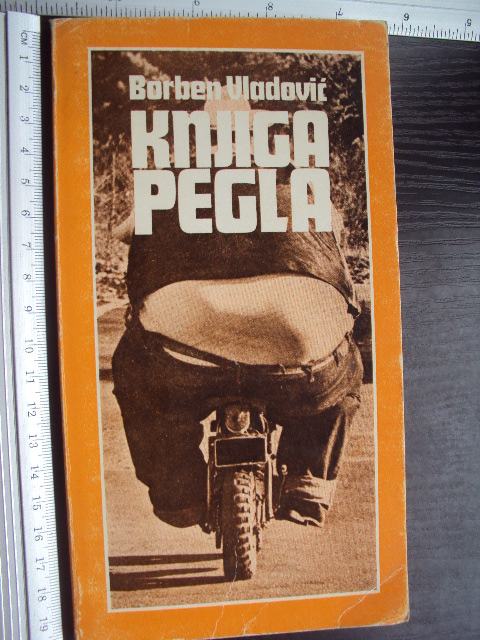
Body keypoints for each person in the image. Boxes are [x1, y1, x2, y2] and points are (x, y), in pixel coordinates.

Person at [111, 180, 364, 529]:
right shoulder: (301, 185)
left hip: (185, 351)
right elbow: (335, 231)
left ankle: (179, 496)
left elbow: (123, 233)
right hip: (298, 355)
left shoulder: (170, 184)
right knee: (342, 377)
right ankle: (307, 481)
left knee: (135, 373)